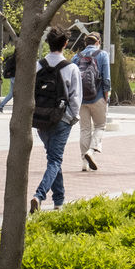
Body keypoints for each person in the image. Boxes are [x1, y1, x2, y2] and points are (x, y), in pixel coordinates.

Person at [31, 27, 81, 212]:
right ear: (65, 44)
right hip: (61, 119)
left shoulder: (38, 65)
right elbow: (75, 98)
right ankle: (39, 194)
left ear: (48, 43)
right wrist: (72, 118)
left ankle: (59, 201)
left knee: (53, 157)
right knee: (55, 160)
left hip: (41, 118)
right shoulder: (71, 68)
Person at [72, 32, 110, 171]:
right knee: (100, 126)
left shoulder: (77, 57)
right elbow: (106, 79)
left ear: (85, 42)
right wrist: (106, 97)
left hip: (81, 99)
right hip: (98, 96)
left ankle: (84, 162)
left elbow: (72, 79)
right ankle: (91, 151)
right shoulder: (103, 55)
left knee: (84, 129)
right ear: (98, 42)